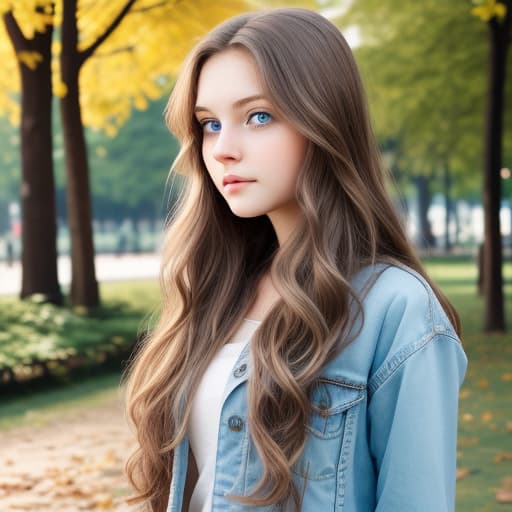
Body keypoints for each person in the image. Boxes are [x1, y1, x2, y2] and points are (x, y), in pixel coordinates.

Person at [121, 8, 467, 512]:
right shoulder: (216, 290)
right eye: (210, 124)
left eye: (258, 116)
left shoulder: (396, 310)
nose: (223, 149)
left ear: (324, 120)